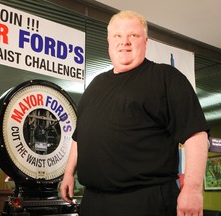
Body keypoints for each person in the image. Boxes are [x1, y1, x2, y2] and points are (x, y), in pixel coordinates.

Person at [60, 10, 209, 216]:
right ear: (109, 41)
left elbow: (196, 136)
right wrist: (68, 173)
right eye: (118, 36)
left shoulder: (165, 77)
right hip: (93, 201)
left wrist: (192, 190)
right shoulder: (95, 84)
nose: (125, 42)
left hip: (145, 200)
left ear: (145, 41)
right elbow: (80, 136)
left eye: (133, 35)